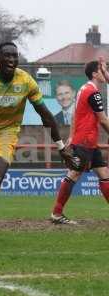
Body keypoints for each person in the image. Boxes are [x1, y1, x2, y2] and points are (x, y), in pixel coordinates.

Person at [0, 42, 77, 252]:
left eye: (14, 56)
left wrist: (61, 146)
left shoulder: (25, 81)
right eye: (7, 56)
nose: (11, 60)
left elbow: (45, 115)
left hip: (6, 134)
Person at [51, 59, 109, 224]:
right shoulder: (93, 92)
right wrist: (74, 136)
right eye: (101, 69)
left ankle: (56, 213)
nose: (104, 73)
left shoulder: (84, 88)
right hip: (84, 141)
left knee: (104, 174)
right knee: (74, 174)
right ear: (94, 74)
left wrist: (71, 135)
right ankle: (56, 213)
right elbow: (104, 120)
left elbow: (75, 115)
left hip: (88, 142)